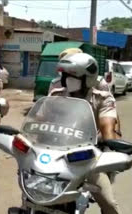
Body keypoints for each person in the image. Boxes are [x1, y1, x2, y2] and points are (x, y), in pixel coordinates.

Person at [49, 52, 120, 214]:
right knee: (32, 193)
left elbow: (107, 127)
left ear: (87, 78)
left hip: (86, 159)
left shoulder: (102, 99)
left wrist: (112, 148)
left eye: (71, 76)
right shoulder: (57, 95)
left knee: (108, 203)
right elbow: (42, 120)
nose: (65, 80)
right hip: (55, 155)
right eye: (64, 75)